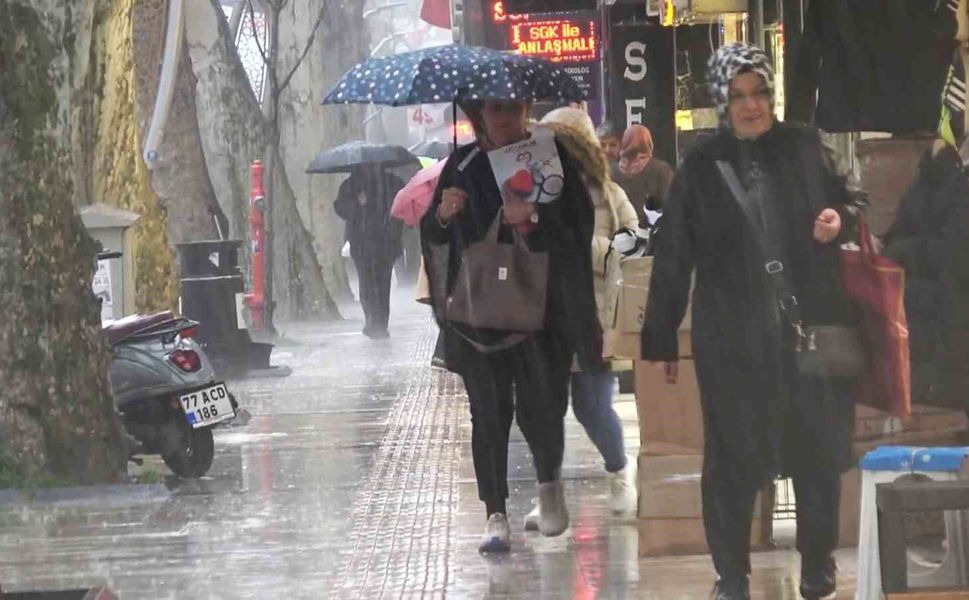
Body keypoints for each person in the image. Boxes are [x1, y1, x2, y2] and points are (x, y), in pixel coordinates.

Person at [641, 43, 864, 600]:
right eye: (738, 95)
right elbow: (672, 256)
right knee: (733, 459)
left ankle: (817, 565)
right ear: (722, 100)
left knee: (815, 453)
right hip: (733, 343)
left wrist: (839, 220)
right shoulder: (700, 165)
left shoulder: (805, 147)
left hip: (805, 333)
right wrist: (662, 338)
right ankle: (732, 575)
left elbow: (850, 205)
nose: (751, 105)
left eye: (760, 92)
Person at [421, 98, 602, 553]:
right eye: (494, 111)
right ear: (480, 117)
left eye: (512, 109)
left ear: (525, 110)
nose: (504, 119)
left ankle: (549, 490)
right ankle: (494, 511)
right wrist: (444, 213)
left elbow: (578, 227)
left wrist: (535, 219)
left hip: (540, 314)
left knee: (541, 404)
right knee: (488, 411)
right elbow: (433, 233)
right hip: (479, 318)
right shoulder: (462, 164)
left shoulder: (548, 155)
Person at [517, 107, 639, 532]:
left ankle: (620, 472)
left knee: (591, 407)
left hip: (593, 316)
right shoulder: (537, 190)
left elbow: (633, 242)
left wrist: (586, 244)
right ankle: (547, 494)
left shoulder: (608, 194)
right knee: (544, 411)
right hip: (546, 316)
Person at [882, 138, 969, 422]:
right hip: (929, 327)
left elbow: (954, 254)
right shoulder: (938, 167)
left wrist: (900, 251)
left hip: (949, 328)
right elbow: (904, 225)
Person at [335, 164, 405, 338]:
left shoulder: (392, 183)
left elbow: (401, 208)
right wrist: (357, 205)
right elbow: (341, 208)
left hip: (385, 241)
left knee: (383, 282)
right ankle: (371, 319)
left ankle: (381, 322)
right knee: (366, 282)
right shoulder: (350, 186)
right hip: (362, 243)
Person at [613, 124, 675, 228]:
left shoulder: (612, 172)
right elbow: (672, 204)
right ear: (648, 143)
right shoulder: (661, 169)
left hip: (620, 234)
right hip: (651, 233)